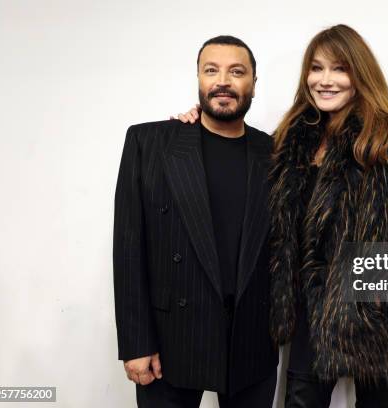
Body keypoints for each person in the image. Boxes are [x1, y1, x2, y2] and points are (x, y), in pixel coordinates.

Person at [177, 24, 388, 408]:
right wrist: (198, 126)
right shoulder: (292, 138)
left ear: (360, 75)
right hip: (307, 317)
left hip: (379, 322)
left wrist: (369, 294)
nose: (325, 80)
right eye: (316, 68)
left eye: (339, 69)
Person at [113, 35, 277, 408]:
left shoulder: (274, 153)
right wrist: (137, 344)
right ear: (199, 80)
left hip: (251, 343)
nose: (223, 80)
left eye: (237, 72)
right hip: (171, 344)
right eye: (211, 70)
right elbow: (128, 247)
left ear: (253, 83)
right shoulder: (150, 142)